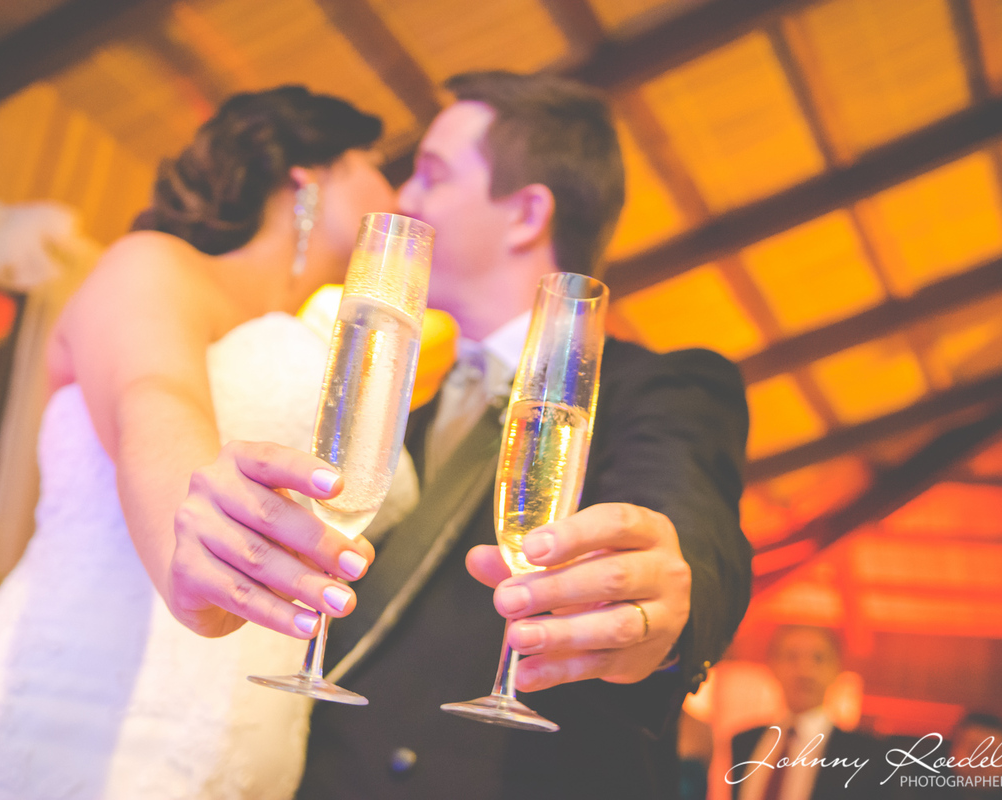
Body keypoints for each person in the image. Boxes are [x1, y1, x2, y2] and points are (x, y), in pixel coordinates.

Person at [0, 86, 401, 799]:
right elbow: (153, 397)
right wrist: (190, 545)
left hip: (245, 747)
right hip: (63, 727)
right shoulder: (152, 264)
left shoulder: (345, 353)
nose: (396, 191)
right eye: (374, 163)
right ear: (309, 176)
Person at [291, 70, 754, 799]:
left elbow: (689, 520)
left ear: (527, 214)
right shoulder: (398, 400)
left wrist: (670, 598)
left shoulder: (658, 389)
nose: (404, 196)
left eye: (432, 174)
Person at [730, 626, 880, 800]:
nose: (804, 670)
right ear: (772, 665)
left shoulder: (864, 755)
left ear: (837, 669)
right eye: (791, 657)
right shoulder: (744, 742)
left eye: (818, 659)